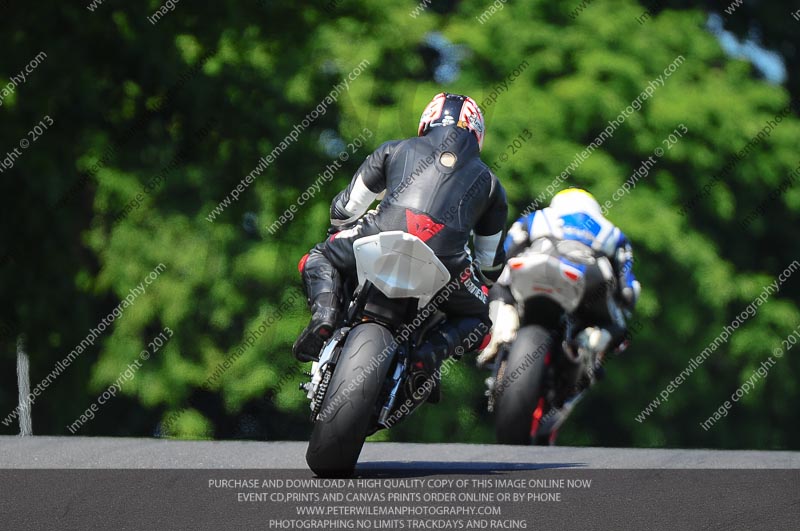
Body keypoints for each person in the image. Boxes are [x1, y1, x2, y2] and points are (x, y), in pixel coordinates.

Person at [293, 92, 508, 380]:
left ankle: (325, 313)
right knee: (480, 319)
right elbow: (490, 265)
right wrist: (479, 280)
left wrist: (340, 232)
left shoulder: (394, 149)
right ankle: (428, 356)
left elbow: (342, 211)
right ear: (477, 134)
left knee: (318, 256)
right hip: (447, 265)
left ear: (427, 121)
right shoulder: (492, 184)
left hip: (378, 235)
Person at [478, 188, 640, 370]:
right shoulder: (613, 233)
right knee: (618, 328)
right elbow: (629, 290)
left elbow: (505, 253)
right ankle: (589, 341)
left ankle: (504, 324)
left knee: (497, 279)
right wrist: (622, 304)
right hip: (590, 279)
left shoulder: (540, 216)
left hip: (538, 265)